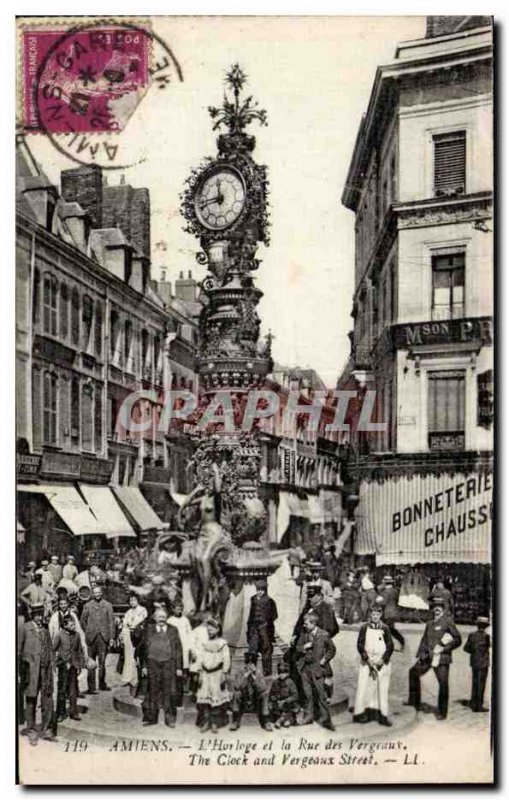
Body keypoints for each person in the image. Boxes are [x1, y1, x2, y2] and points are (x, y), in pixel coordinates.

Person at [406, 598, 462, 720]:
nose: (437, 609)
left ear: (443, 609)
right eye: (434, 607)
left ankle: (442, 712)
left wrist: (444, 649)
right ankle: (414, 702)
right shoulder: (430, 623)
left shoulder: (448, 622)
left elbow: (458, 640)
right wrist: (421, 655)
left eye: (439, 607)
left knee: (443, 684)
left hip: (441, 658)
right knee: (413, 672)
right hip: (427, 657)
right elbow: (424, 640)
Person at [18, 604, 55, 744]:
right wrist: (20, 671)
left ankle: (46, 729)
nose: (40, 617)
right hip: (30, 671)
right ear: (32, 615)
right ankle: (31, 730)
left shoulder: (45, 629)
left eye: (41, 614)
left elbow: (50, 647)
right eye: (37, 615)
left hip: (45, 671)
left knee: (47, 699)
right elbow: (18, 651)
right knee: (31, 699)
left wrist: (52, 664)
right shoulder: (25, 628)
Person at [353, 602, 394, 726]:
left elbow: (390, 646)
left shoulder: (385, 628)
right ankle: (361, 713)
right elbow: (360, 645)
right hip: (367, 662)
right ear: (370, 615)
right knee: (364, 686)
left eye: (377, 614)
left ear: (381, 615)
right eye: (373, 614)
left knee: (382, 687)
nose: (375, 616)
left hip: (382, 662)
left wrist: (382, 660)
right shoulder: (364, 628)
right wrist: (368, 660)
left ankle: (382, 715)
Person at [140, 607, 183, 727]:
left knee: (169, 691)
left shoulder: (173, 630)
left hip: (169, 664)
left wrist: (179, 667)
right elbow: (144, 649)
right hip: (152, 663)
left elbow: (178, 649)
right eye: (159, 617)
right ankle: (151, 717)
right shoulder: (149, 629)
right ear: (154, 618)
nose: (162, 619)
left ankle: (169, 719)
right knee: (152, 690)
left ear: (167, 618)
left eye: (164, 617)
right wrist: (143, 666)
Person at [295, 610, 336, 731]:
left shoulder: (323, 635)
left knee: (321, 694)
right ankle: (309, 716)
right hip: (305, 669)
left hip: (318, 669)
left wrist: (324, 659)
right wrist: (304, 647)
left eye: (306, 623)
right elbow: (297, 648)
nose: (304, 625)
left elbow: (332, 649)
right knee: (307, 694)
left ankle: (325, 720)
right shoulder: (304, 634)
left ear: (313, 623)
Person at [195, 617, 231, 733]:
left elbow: (226, 659)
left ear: (217, 629)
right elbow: (200, 658)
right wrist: (200, 672)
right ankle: (206, 722)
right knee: (205, 698)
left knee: (215, 697)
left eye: (212, 629)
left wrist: (224, 673)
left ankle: (215, 722)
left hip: (217, 673)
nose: (209, 631)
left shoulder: (222, 644)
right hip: (205, 674)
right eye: (208, 630)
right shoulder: (204, 644)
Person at [80, 584, 116, 694]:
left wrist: (111, 637)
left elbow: (111, 622)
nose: (97, 594)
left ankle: (102, 684)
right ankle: (91, 687)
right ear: (92, 594)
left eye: (99, 592)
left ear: (102, 593)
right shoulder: (88, 605)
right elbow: (82, 620)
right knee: (90, 662)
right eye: (95, 592)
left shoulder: (108, 605)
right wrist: (88, 631)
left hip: (103, 638)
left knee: (102, 662)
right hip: (91, 638)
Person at [54, 614, 87, 722]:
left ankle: (73, 712)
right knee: (62, 690)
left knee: (73, 691)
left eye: (74, 624)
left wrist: (80, 664)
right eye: (71, 625)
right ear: (65, 625)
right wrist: (60, 662)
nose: (73, 626)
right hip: (63, 667)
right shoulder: (59, 635)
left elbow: (79, 651)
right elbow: (54, 650)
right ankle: (60, 713)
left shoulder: (76, 635)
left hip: (73, 666)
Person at [230, 652, 272, 732]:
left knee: (264, 695)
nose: (249, 665)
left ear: (255, 664)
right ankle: (235, 721)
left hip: (255, 699)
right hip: (244, 699)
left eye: (252, 663)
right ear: (245, 663)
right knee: (237, 693)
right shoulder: (240, 672)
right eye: (248, 663)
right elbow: (237, 686)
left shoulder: (258, 673)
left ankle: (266, 721)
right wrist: (245, 676)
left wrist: (254, 676)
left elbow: (263, 688)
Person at [246, 578, 278, 676]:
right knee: (252, 649)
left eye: (261, 590)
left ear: (265, 590)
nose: (259, 592)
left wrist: (266, 621)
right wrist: (250, 627)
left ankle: (267, 672)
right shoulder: (253, 599)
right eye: (258, 589)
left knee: (266, 649)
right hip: (254, 628)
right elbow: (251, 615)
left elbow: (274, 615)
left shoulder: (270, 601)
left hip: (265, 628)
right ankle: (251, 672)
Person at [119, 593, 148, 694]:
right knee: (128, 656)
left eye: (134, 600)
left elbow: (142, 622)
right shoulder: (128, 612)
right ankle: (128, 677)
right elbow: (124, 624)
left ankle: (135, 679)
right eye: (131, 600)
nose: (132, 602)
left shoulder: (142, 610)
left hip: (137, 636)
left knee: (136, 656)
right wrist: (122, 636)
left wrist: (134, 626)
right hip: (128, 636)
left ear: (138, 600)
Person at [168, 599, 193, 706]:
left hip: (185, 645)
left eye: (181, 608)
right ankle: (174, 688)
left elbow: (190, 633)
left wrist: (191, 645)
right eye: (177, 608)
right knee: (176, 667)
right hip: (175, 647)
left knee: (185, 667)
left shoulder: (185, 620)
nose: (179, 610)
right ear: (173, 609)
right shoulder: (170, 620)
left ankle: (185, 687)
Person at [464, 616, 491, 713]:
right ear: (486, 626)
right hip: (483, 662)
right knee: (481, 683)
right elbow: (488, 647)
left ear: (477, 625)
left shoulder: (472, 635)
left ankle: (473, 702)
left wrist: (474, 652)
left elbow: (466, 648)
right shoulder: (487, 637)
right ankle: (479, 706)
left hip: (474, 662)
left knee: (475, 682)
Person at [378, 575, 405, 650]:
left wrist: (377, 600)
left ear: (385, 583)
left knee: (387, 629)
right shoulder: (395, 591)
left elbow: (383, 602)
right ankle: (400, 641)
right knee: (390, 629)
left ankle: (391, 644)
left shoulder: (385, 592)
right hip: (394, 612)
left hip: (387, 613)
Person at [269, 662, 300, 728]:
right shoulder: (275, 682)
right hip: (278, 704)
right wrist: (276, 699)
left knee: (288, 710)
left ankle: (281, 720)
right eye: (280, 673)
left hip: (288, 704)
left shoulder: (290, 682)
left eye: (283, 673)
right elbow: (271, 694)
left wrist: (285, 701)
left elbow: (295, 696)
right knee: (275, 710)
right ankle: (285, 720)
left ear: (287, 674)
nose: (281, 675)